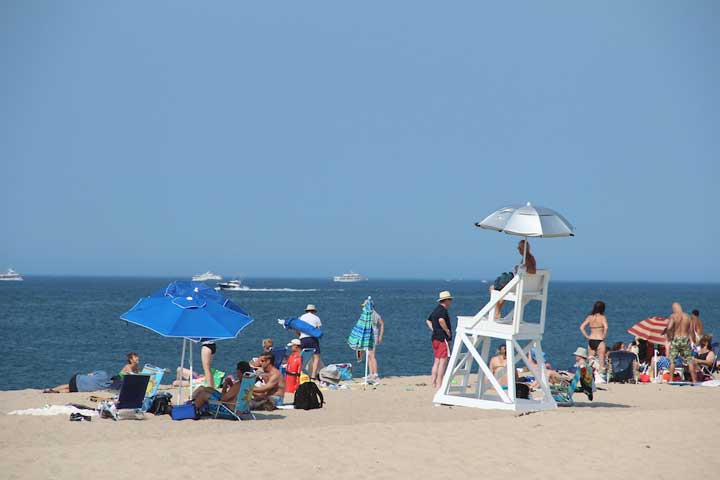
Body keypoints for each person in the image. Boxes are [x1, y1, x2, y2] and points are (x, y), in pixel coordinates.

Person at [490, 240, 537, 320]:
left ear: (525, 249)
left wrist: (522, 269)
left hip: (518, 285)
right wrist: (520, 268)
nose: (518, 249)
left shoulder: (528, 258)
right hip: (520, 284)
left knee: (493, 288)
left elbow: (533, 271)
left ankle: (496, 313)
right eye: (518, 248)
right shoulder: (529, 258)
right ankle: (496, 313)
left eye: (520, 248)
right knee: (502, 290)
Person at [426, 290, 453, 390]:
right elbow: (441, 320)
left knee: (436, 360)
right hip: (442, 339)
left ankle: (433, 380)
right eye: (450, 300)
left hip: (435, 338)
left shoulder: (436, 309)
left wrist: (433, 329)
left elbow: (428, 320)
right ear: (446, 300)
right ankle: (439, 384)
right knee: (443, 362)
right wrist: (447, 331)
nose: (451, 302)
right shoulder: (442, 310)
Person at [666, 302, 696, 383]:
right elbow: (692, 331)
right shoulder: (688, 317)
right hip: (685, 339)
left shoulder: (673, 316)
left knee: (672, 360)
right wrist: (694, 341)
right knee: (689, 360)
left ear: (674, 309)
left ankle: (671, 380)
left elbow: (669, 328)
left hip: (676, 339)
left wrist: (669, 336)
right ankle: (694, 380)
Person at [579, 301, 609, 375]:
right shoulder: (602, 317)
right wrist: (604, 335)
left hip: (591, 340)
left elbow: (582, 327)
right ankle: (600, 376)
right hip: (599, 340)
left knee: (590, 360)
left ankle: (590, 376)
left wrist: (587, 336)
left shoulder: (590, 317)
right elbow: (606, 327)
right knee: (601, 361)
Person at [298, 304, 322, 381]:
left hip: (303, 339)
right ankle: (313, 376)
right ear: (314, 311)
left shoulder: (302, 317)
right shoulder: (316, 318)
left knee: (301, 357)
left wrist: (300, 335)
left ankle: (299, 373)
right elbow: (318, 330)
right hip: (312, 339)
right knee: (316, 357)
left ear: (307, 310)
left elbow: (296, 327)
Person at [43, 371, 112, 393]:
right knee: (70, 390)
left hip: (78, 379)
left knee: (68, 385)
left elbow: (89, 374)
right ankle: (57, 392)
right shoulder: (106, 387)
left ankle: (53, 389)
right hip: (79, 389)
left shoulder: (103, 373)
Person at [367, 301, 385, 381]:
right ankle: (370, 373)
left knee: (372, 355)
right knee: (368, 355)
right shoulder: (366, 314)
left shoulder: (374, 314)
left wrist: (380, 336)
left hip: (373, 335)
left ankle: (375, 374)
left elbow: (382, 324)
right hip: (368, 336)